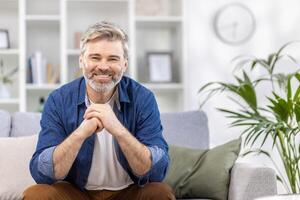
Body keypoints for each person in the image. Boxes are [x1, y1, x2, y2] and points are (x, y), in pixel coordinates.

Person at [23, 21, 175, 200]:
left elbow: (157, 171)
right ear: (82, 61)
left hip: (129, 191)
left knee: (160, 192)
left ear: (124, 64)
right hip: (76, 192)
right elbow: (42, 173)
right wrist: (80, 133)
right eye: (95, 57)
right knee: (36, 194)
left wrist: (117, 129)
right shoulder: (59, 100)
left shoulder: (143, 98)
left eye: (113, 59)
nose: (103, 66)